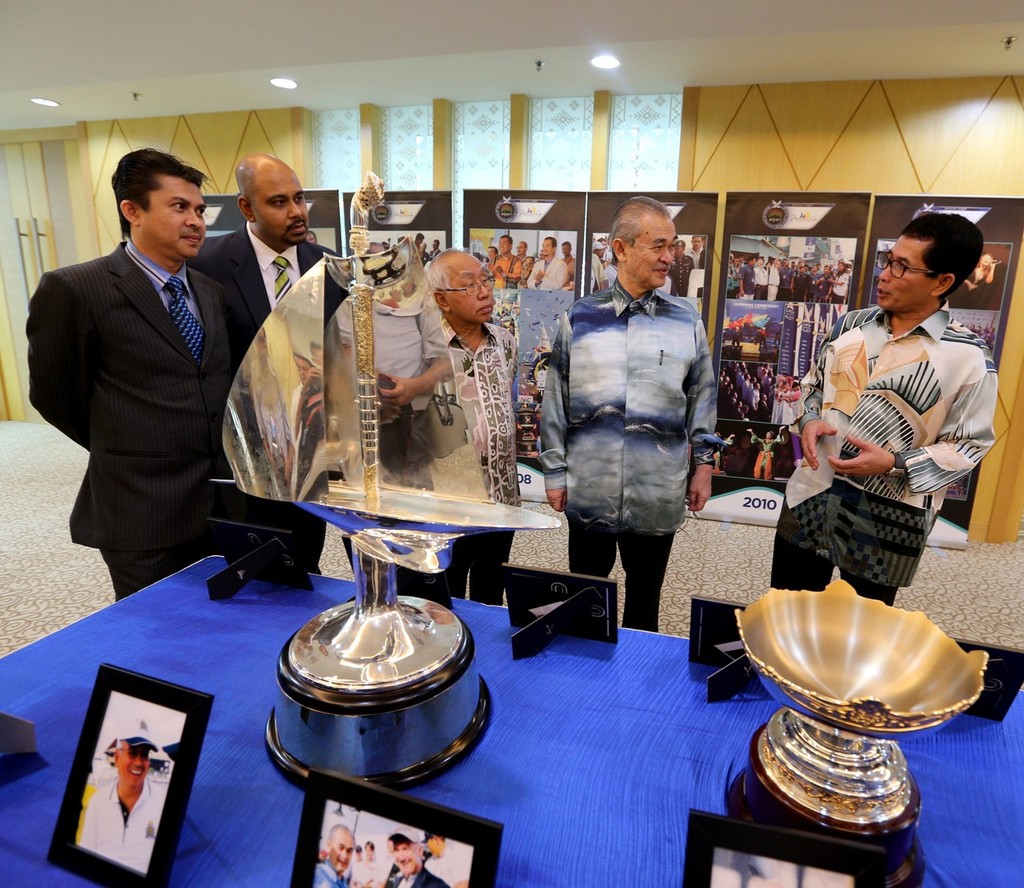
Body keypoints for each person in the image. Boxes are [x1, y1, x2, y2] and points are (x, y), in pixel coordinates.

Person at [26, 148, 232, 600]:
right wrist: (127, 445)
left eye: (199, 210)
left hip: (218, 504)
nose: (196, 221)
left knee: (221, 629)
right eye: (179, 207)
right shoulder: (77, 288)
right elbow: (55, 395)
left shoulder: (209, 292)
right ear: (132, 210)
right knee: (158, 640)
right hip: (141, 510)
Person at [771, 212, 998, 606]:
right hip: (810, 498)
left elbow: (970, 445)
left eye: (902, 267)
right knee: (788, 616)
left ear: (943, 282)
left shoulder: (969, 357)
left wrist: (895, 462)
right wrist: (808, 420)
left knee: (861, 637)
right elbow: (812, 386)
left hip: (889, 521)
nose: (885, 274)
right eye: (888, 259)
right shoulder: (849, 326)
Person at [540, 196, 717, 631]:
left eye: (673, 246)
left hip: (657, 491)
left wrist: (705, 467)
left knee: (645, 603)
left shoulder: (685, 320)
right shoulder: (581, 317)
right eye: (659, 246)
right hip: (589, 490)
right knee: (585, 598)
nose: (669, 258)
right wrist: (554, 472)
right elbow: (556, 401)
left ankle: (636, 688)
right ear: (621, 249)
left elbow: (703, 397)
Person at [191, 152, 345, 574]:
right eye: (279, 202)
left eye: (299, 198)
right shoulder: (206, 265)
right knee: (254, 580)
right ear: (246, 207)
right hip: (244, 459)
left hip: (313, 455)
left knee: (304, 567)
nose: (296, 212)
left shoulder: (327, 265)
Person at [427, 250, 519, 604]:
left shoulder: (505, 342)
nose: (484, 292)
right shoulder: (424, 348)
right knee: (442, 597)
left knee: (490, 595)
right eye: (470, 286)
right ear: (441, 300)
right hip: (448, 507)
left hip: (501, 500)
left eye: (486, 281)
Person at [79, 732, 167, 874]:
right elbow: (84, 855)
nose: (139, 763)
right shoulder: (98, 801)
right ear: (117, 757)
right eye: (132, 753)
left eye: (144, 755)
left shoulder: (163, 801)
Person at [314, 824, 355, 888]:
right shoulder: (317, 877)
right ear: (329, 845)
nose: (345, 856)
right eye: (341, 847)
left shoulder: (343, 883)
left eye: (349, 851)